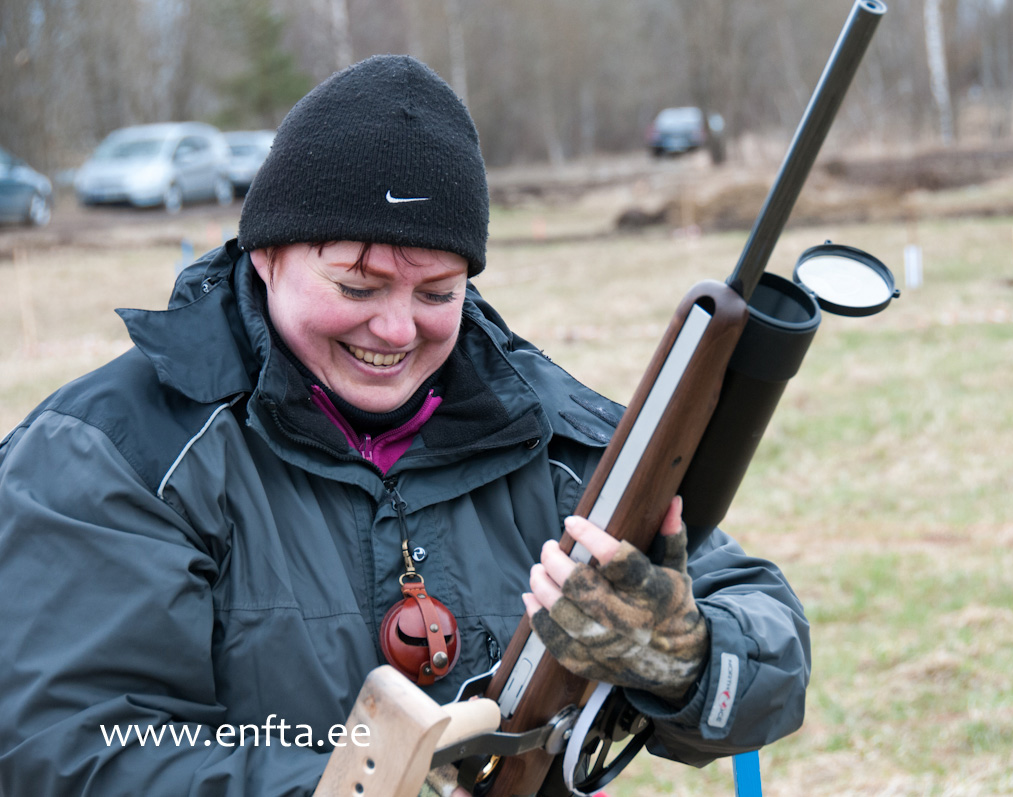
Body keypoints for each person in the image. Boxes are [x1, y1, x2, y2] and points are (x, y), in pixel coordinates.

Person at [0, 56, 810, 796]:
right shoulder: (110, 455)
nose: (396, 329)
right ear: (265, 255)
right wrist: (364, 783)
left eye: (436, 293)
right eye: (358, 285)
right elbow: (65, 748)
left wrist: (684, 658)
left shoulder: (549, 437)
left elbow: (770, 640)